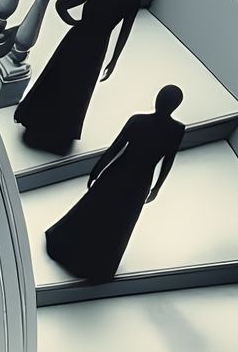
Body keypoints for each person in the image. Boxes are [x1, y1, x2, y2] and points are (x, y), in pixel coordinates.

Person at [45, 85, 185, 281]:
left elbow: (115, 147)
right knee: (118, 222)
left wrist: (97, 170)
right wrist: (157, 187)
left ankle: (72, 249)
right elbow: (168, 160)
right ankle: (98, 263)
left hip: (118, 173)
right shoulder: (177, 130)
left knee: (95, 211)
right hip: (140, 182)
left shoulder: (138, 121)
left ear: (158, 100)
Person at [13, 0, 143, 154]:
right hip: (97, 45)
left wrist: (74, 22)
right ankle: (60, 132)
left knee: (58, 78)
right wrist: (114, 59)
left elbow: (62, 4)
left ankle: (38, 121)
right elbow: (124, 32)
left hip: (77, 38)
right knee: (78, 88)